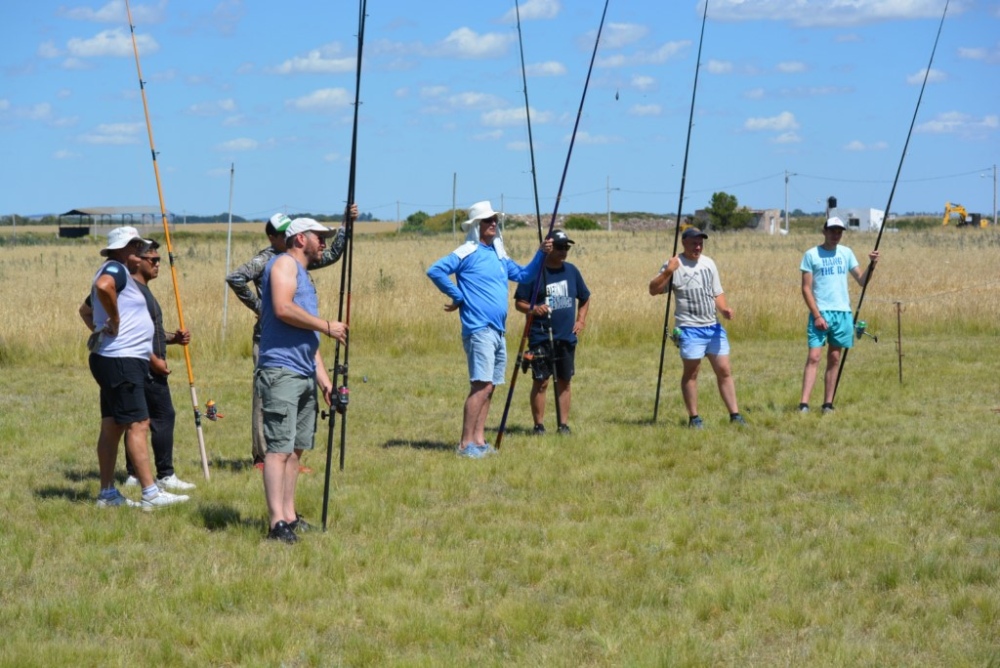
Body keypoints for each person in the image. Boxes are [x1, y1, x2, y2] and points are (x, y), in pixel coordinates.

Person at [426, 201, 553, 457]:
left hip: (498, 331)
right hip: (479, 329)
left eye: (494, 219)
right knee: (481, 385)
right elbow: (435, 270)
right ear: (476, 226)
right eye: (487, 220)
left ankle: (479, 440)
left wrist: (541, 254)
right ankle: (464, 444)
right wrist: (457, 296)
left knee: (491, 386)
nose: (493, 223)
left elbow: (524, 276)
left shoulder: (499, 255)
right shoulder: (466, 252)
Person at [226, 210, 350, 471]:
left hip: (300, 342)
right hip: (272, 341)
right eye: (282, 233)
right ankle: (263, 455)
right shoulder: (268, 260)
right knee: (269, 399)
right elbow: (236, 278)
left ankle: (289, 454)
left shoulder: (298, 259)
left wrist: (345, 225)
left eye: (289, 232)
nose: (286, 236)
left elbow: (332, 255)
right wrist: (262, 308)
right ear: (272, 237)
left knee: (291, 401)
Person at [256, 217, 349, 543]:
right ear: (300, 239)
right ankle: (275, 523)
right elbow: (282, 308)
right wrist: (327, 325)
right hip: (280, 371)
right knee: (278, 449)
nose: (324, 243)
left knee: (295, 450)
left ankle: (290, 517)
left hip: (305, 372)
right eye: (319, 237)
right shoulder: (283, 265)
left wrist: (325, 382)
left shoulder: (305, 277)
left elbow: (307, 338)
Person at [85, 226, 189, 509]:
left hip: (111, 357)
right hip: (121, 359)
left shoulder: (114, 271)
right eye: (136, 246)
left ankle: (107, 494)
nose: (140, 252)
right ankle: (151, 493)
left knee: (112, 425)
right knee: (139, 423)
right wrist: (115, 322)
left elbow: (86, 310)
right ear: (124, 248)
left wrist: (102, 328)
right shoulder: (116, 270)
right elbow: (102, 287)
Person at [648, 227, 747, 428]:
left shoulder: (709, 264)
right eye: (694, 243)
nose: (698, 247)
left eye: (701, 243)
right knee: (692, 373)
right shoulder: (674, 265)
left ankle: (735, 415)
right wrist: (668, 270)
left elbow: (717, 293)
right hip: (689, 328)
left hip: (713, 327)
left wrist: (724, 309)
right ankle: (694, 418)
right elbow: (653, 290)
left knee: (724, 370)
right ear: (684, 243)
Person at [799, 216, 880, 414]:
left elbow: (862, 281)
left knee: (834, 358)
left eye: (839, 231)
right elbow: (806, 289)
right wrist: (817, 315)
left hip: (843, 312)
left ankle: (827, 403)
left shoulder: (846, 253)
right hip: (820, 312)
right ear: (824, 231)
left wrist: (872, 265)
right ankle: (804, 404)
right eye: (832, 231)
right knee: (814, 357)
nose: (836, 235)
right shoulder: (811, 255)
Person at [514, 229, 591, 435]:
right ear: (548, 248)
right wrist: (533, 309)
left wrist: (581, 320)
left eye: (566, 247)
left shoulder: (572, 271)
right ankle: (539, 426)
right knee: (541, 381)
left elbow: (585, 297)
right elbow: (519, 303)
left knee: (565, 381)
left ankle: (563, 425)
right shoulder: (534, 273)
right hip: (540, 335)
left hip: (565, 337)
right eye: (559, 247)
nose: (564, 251)